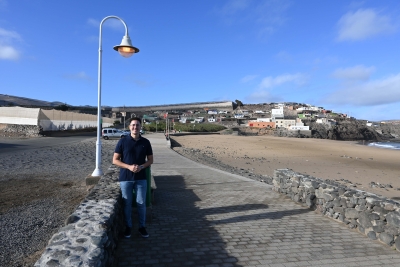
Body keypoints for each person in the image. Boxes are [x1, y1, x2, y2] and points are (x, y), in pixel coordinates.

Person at [113, 117, 153, 238]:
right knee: (127, 204)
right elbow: (115, 160)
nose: (135, 127)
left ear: (141, 127)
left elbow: (151, 160)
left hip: (141, 177)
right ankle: (128, 227)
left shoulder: (146, 142)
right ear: (129, 127)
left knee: (141, 203)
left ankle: (142, 227)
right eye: (133, 125)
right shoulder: (122, 141)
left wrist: (141, 166)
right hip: (126, 178)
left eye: (137, 125)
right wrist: (129, 167)